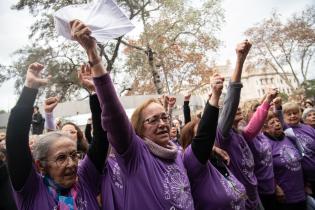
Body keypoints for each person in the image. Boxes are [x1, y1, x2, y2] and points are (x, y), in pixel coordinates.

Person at [70, 19, 194, 209]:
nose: (162, 124)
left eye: (164, 118)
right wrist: (93, 56)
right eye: (152, 120)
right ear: (138, 129)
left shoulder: (176, 152)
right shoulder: (135, 155)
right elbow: (114, 116)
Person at [6, 62, 108, 210]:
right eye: (61, 158)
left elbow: (101, 140)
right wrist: (30, 89)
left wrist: (95, 91)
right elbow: (15, 142)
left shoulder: (85, 178)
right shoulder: (31, 189)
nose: (72, 164)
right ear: (41, 165)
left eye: (74, 155)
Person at [182, 72, 247, 210]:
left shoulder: (217, 159)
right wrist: (215, 95)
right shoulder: (191, 161)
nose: (211, 134)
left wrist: (213, 149)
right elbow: (205, 135)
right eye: (203, 132)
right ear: (192, 139)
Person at [215, 40, 267, 210]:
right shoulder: (223, 135)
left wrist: (267, 102)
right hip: (241, 202)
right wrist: (240, 59)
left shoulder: (241, 134)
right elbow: (231, 99)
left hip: (255, 196)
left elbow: (256, 123)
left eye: (238, 107)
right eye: (229, 109)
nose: (235, 108)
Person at [262, 111, 306, 210]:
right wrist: (276, 187)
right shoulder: (265, 144)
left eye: (277, 121)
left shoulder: (289, 137)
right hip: (284, 196)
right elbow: (264, 170)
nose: (277, 124)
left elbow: (301, 159)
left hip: (300, 192)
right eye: (272, 123)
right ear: (265, 128)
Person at [282, 102, 315, 199]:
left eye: (295, 113)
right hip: (303, 179)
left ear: (300, 114)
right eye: (289, 114)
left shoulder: (308, 128)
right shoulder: (285, 130)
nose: (293, 116)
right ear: (283, 116)